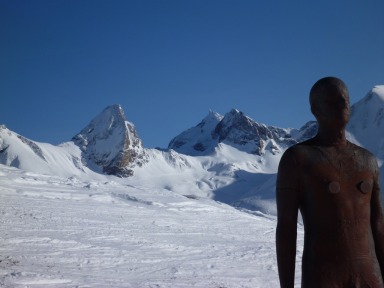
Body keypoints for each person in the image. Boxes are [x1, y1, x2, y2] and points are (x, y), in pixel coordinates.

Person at [276, 77, 384, 287]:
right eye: (332, 101)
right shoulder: (298, 159)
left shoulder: (368, 161)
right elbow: (286, 229)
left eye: (344, 99)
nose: (341, 105)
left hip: (371, 278)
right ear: (315, 110)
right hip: (324, 277)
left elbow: (378, 225)